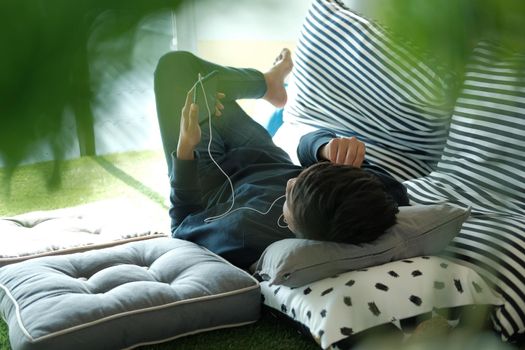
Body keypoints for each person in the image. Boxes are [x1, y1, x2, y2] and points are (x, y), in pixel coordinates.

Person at [154, 49, 409, 269]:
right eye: (299, 178)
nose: (288, 183)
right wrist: (325, 149)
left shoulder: (242, 234)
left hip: (208, 176)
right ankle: (269, 83)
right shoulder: (365, 199)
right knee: (199, 83)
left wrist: (185, 148)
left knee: (174, 68)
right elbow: (304, 148)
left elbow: (181, 226)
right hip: (262, 153)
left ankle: (266, 83)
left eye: (290, 195)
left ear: (298, 228)